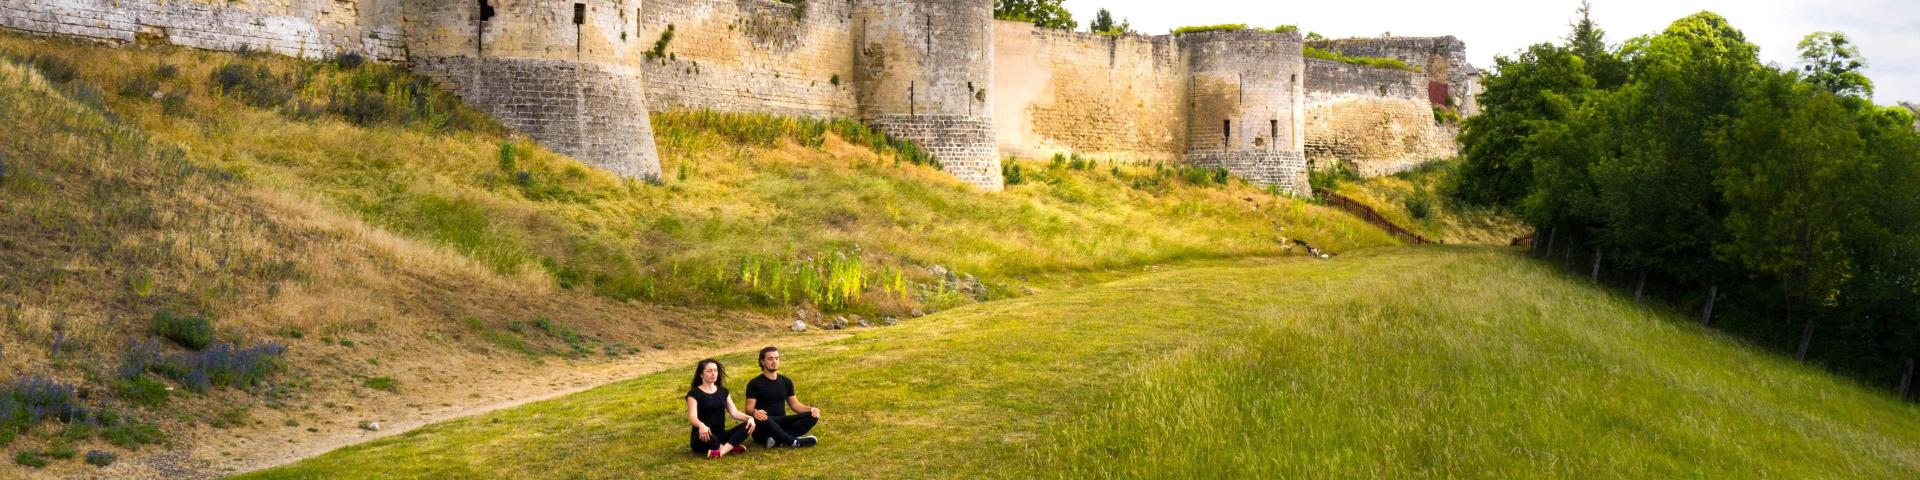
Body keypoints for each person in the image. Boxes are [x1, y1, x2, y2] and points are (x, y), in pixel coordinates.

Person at [744, 346, 821, 448]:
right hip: (764, 425)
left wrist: (812, 409)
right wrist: (755, 412)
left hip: (781, 422)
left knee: (812, 416)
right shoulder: (754, 383)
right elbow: (748, 409)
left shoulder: (786, 381)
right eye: (770, 359)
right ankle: (793, 442)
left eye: (776, 358)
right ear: (762, 362)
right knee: (763, 418)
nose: (774, 361)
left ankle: (778, 441)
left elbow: (795, 405)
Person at [686, 358, 755, 459]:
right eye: (709, 371)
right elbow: (692, 416)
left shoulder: (723, 391)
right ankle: (729, 449)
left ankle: (720, 452)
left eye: (715, 370)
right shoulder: (694, 393)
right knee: (707, 433)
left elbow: (734, 413)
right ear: (701, 374)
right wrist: (701, 425)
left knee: (748, 425)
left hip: (721, 436)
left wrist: (749, 418)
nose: (713, 373)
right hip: (703, 437)